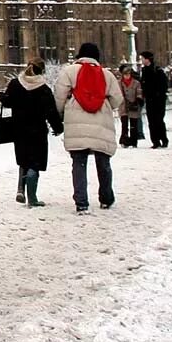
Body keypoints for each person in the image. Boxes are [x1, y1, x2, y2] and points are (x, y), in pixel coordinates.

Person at [53, 42, 124, 214]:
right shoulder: (107, 75)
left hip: (76, 122)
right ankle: (106, 198)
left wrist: (63, 111)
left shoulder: (69, 72)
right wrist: (104, 103)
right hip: (101, 123)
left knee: (79, 163)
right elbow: (117, 99)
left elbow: (59, 97)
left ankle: (81, 202)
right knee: (103, 162)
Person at [0, 57, 63, 207]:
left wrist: (0, 96)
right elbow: (51, 111)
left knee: (23, 159)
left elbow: (7, 101)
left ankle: (20, 189)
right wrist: (58, 128)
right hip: (37, 131)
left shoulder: (15, 84)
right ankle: (32, 197)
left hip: (19, 129)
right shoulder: (44, 88)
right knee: (35, 162)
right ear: (42, 71)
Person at [138, 52, 169, 148]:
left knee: (159, 120)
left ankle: (163, 139)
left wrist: (159, 93)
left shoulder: (157, 70)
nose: (141, 60)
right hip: (149, 99)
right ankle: (155, 141)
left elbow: (164, 84)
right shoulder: (144, 70)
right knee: (151, 120)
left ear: (148, 59)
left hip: (159, 99)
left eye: (142, 58)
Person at [117, 65, 144, 148]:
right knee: (124, 125)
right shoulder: (119, 83)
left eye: (128, 74)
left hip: (133, 105)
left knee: (133, 125)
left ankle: (133, 141)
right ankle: (124, 140)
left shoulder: (136, 83)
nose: (127, 76)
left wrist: (138, 100)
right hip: (123, 106)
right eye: (125, 74)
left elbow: (139, 92)